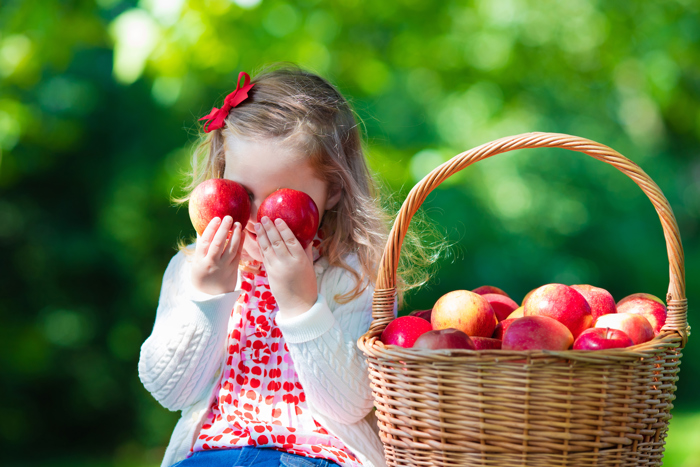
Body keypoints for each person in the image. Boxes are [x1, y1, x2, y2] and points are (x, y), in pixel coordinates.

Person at [139, 65, 393, 467]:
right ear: (220, 174)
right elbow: (169, 390)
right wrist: (208, 296)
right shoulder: (192, 267)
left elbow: (350, 405)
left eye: (281, 198)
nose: (257, 217)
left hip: (318, 455)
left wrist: (301, 304)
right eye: (241, 192)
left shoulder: (354, 276)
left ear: (334, 191)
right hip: (213, 452)